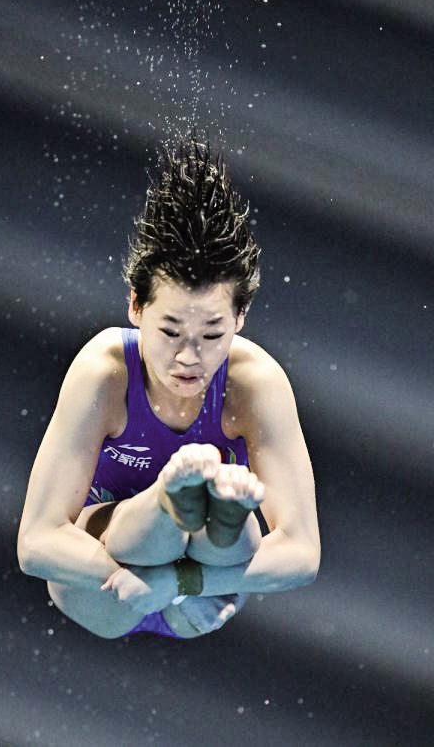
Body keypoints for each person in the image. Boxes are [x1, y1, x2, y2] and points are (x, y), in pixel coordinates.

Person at [17, 140, 320, 639]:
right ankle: (171, 502)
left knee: (235, 530)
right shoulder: (105, 370)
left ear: (241, 318)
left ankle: (205, 510)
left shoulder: (255, 383)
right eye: (170, 331)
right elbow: (36, 543)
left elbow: (303, 554)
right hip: (101, 583)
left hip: (199, 592)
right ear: (136, 307)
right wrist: (138, 579)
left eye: (212, 335)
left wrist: (180, 584)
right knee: (149, 530)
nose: (188, 357)